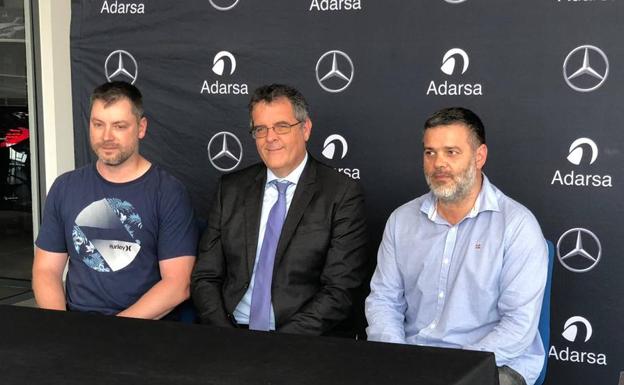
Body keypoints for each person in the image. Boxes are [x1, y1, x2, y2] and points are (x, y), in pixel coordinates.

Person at [365, 107, 548, 385]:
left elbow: (517, 326)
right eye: (430, 152)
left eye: (451, 152)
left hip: (495, 364)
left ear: (479, 156)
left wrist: (453, 370)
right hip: (414, 358)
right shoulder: (401, 221)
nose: (439, 163)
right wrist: (397, 357)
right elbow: (383, 301)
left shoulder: (517, 226)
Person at [191, 84, 367, 336]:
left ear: (305, 129)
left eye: (281, 127)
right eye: (260, 129)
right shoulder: (230, 188)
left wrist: (278, 346)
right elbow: (205, 277)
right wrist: (224, 335)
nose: (270, 137)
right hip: (230, 332)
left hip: (300, 339)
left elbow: (340, 289)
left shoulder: (341, 193)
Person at [33, 81, 198, 319]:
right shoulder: (65, 187)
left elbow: (177, 284)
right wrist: (61, 327)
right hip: (75, 327)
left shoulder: (169, 192)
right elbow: (46, 270)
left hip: (141, 330)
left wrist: (111, 333)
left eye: (119, 126)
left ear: (141, 128)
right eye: (98, 124)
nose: (106, 136)